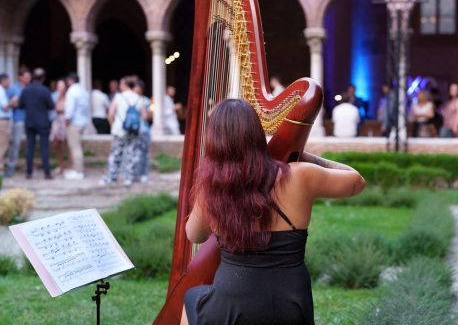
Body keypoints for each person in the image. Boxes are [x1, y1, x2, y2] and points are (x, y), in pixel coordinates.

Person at [181, 99, 365, 325]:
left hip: (231, 305)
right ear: (257, 134)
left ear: (214, 142)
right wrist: (304, 156)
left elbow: (194, 235)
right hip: (290, 304)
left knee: (191, 298)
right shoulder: (301, 176)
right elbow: (357, 181)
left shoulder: (214, 187)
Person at [100, 76, 146, 186]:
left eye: (121, 84)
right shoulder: (139, 98)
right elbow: (144, 116)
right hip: (134, 131)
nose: (120, 86)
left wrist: (113, 125)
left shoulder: (119, 97)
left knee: (116, 154)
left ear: (125, 85)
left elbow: (110, 114)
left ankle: (112, 178)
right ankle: (129, 178)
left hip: (119, 130)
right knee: (131, 153)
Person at [18, 68, 54, 179]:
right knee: (44, 147)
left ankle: (29, 172)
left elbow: (21, 105)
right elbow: (51, 106)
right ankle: (47, 173)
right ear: (43, 78)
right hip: (43, 121)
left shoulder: (26, 90)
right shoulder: (45, 90)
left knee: (30, 147)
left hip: (29, 121)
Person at [5, 68, 31, 177]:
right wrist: (15, 103)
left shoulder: (31, 88)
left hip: (30, 120)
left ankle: (28, 168)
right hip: (18, 119)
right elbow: (5, 104)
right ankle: (10, 168)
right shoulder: (13, 89)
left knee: (30, 145)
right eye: (26, 77)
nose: (28, 79)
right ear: (20, 77)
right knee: (15, 144)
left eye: (29, 77)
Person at [63, 73, 90, 180]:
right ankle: (76, 169)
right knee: (78, 146)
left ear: (70, 80)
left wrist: (67, 119)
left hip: (74, 123)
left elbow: (70, 107)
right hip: (82, 122)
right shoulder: (83, 91)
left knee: (75, 147)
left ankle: (78, 171)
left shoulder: (72, 91)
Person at [134, 79, 152, 183]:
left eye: (136, 87)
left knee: (143, 153)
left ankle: (143, 174)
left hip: (143, 130)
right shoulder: (133, 99)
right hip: (134, 130)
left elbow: (148, 116)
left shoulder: (145, 100)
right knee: (134, 153)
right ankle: (135, 173)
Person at [50, 79, 69, 175]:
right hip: (56, 120)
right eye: (58, 85)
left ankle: (69, 165)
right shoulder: (54, 96)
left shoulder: (69, 96)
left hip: (65, 121)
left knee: (67, 144)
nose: (60, 87)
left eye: (62, 85)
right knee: (56, 144)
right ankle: (60, 165)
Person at [0, 74, 13, 175]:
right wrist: (13, 101)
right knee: (3, 145)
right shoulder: (1, 90)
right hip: (2, 121)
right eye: (8, 80)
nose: (9, 83)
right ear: (3, 81)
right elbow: (5, 107)